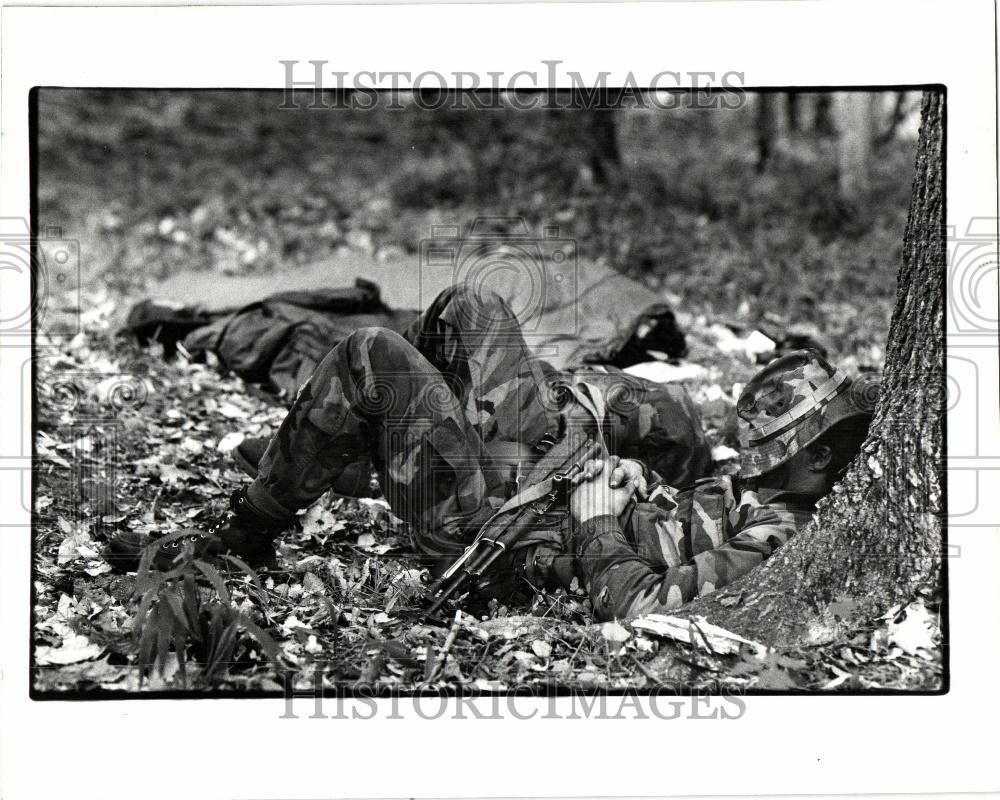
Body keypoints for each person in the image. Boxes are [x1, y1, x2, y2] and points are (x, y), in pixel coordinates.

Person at [107, 284, 712, 591]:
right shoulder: (690, 449)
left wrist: (619, 492)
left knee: (369, 352)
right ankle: (360, 443)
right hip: (532, 454)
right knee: (467, 302)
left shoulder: (756, 518)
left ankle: (246, 535)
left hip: (495, 528)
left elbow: (634, 558)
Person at [566, 351, 877, 620]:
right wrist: (640, 475)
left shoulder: (777, 540)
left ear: (819, 457)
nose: (759, 457)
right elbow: (690, 513)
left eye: (779, 447)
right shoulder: (776, 486)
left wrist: (597, 520)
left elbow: (637, 606)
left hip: (563, 535)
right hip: (589, 493)